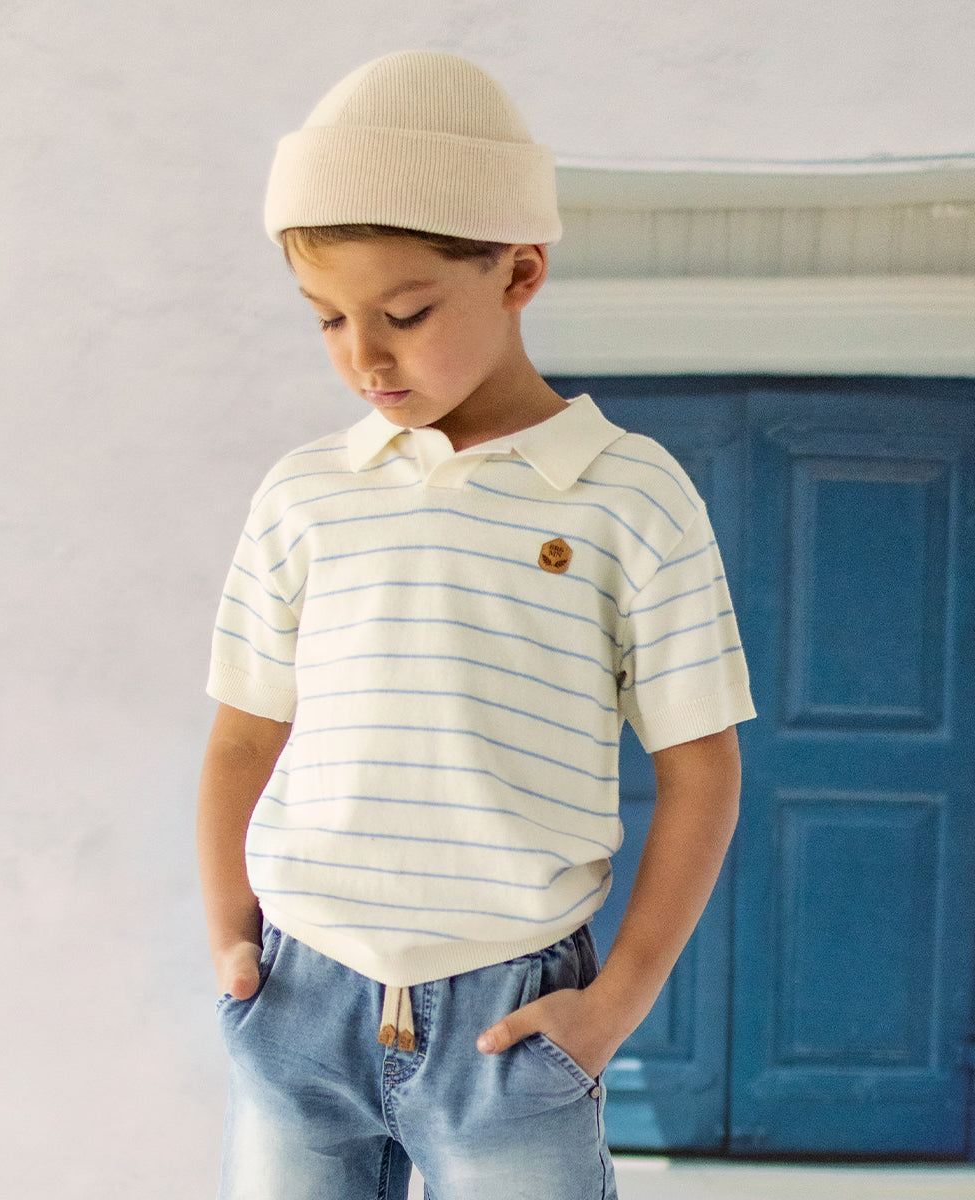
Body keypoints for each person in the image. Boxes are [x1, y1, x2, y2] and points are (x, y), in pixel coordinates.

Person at [197, 50, 755, 1200]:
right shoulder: (306, 494)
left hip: (511, 1025)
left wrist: (613, 1009)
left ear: (520, 272)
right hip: (299, 998)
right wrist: (232, 950)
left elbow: (702, 771)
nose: (364, 356)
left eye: (404, 313)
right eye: (327, 319)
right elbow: (244, 737)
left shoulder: (627, 496)